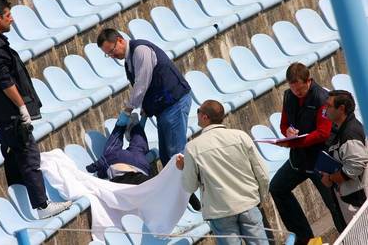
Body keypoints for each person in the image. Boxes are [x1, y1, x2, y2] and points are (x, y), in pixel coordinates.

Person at [0, 0, 71, 219]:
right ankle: (42, 206)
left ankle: (22, 207)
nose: (12, 19)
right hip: (10, 113)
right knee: (28, 155)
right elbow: (5, 81)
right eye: (8, 15)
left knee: (12, 156)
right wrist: (22, 106)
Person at [269, 63, 346, 244]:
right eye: (294, 90)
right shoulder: (288, 96)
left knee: (334, 204)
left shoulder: (322, 99)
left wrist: (296, 141)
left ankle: (347, 237)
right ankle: (304, 239)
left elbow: (323, 133)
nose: (298, 94)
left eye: (301, 91)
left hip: (320, 159)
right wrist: (288, 133)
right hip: (299, 158)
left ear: (309, 81)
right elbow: (284, 124)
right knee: (277, 188)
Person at [176, 100, 270, 245]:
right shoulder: (240, 136)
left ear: (205, 117)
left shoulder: (192, 148)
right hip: (248, 203)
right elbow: (262, 173)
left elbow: (189, 186)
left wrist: (184, 168)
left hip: (220, 211)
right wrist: (260, 198)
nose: (198, 115)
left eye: (198, 112)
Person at [97, 29, 192, 167]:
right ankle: (176, 188)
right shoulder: (129, 60)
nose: (112, 56)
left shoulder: (141, 51)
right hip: (164, 108)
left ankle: (186, 189)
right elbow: (147, 87)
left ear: (120, 40)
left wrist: (128, 110)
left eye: (111, 51)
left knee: (176, 156)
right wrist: (146, 108)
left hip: (174, 104)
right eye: (108, 54)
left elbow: (142, 84)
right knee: (166, 157)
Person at [322, 90, 368, 208]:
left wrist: (331, 178)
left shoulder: (349, 133)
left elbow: (355, 166)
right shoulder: (345, 129)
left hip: (362, 198)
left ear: (341, 109)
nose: (325, 109)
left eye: (329, 106)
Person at [86, 114, 152, 184]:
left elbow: (96, 169)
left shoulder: (106, 164)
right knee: (114, 147)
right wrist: (92, 168)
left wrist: (92, 170)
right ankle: (124, 125)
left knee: (139, 147)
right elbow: (97, 165)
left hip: (141, 167)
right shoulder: (106, 160)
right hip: (122, 160)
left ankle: (133, 127)